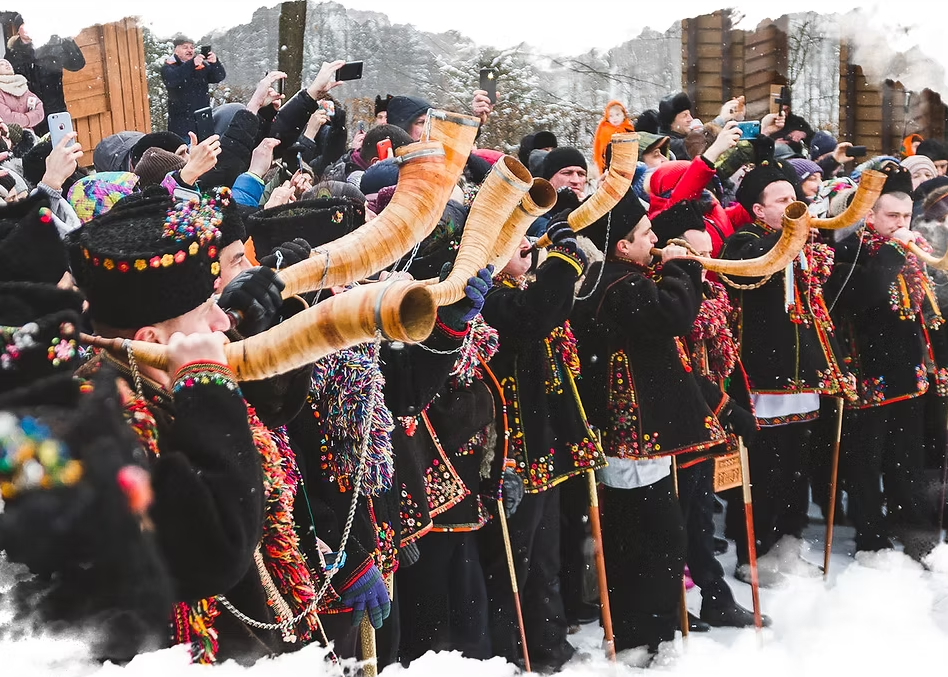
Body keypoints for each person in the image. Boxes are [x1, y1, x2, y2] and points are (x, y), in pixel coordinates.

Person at [570, 193, 729, 657]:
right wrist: (684, 267)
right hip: (630, 437)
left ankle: (648, 629)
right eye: (645, 234)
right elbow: (674, 316)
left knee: (652, 535)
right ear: (621, 246)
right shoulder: (620, 286)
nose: (657, 239)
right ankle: (644, 635)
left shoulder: (618, 279)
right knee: (653, 539)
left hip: (639, 436)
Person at [719, 160, 855, 587]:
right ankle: (753, 553)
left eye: (795, 196)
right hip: (761, 380)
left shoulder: (807, 243)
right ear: (759, 211)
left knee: (797, 467)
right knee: (764, 471)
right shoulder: (744, 242)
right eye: (781, 199)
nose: (794, 205)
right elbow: (746, 274)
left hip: (805, 380)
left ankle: (790, 546)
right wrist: (789, 243)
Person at [479, 215, 605, 672]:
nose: (528, 247)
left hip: (544, 447)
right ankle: (512, 651)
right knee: (516, 562)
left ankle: (548, 643)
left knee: (545, 556)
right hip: (512, 453)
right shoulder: (488, 300)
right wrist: (563, 259)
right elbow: (536, 316)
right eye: (515, 241)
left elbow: (551, 305)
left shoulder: (520, 291)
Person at [826, 162, 942, 560]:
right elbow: (864, 294)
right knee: (865, 460)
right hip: (867, 371)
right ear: (870, 215)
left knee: (907, 457)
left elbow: (927, 307)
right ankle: (869, 535)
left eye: (907, 216)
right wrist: (895, 248)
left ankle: (910, 527)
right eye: (892, 216)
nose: (901, 223)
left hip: (910, 370)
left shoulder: (911, 249)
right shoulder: (849, 248)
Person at [5, 14, 85, 136]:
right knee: (35, 152)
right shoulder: (12, 53)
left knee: (63, 149)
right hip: (29, 117)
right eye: (23, 24)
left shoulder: (52, 46)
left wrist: (67, 40)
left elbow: (77, 64)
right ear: (18, 30)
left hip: (55, 112)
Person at [160, 36, 226, 139]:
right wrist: (191, 64)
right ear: (176, 50)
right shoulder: (168, 67)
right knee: (185, 153)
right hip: (181, 125)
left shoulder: (201, 66)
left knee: (207, 152)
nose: (189, 50)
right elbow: (172, 80)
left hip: (203, 121)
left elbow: (219, 76)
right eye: (185, 47)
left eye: (191, 47)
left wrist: (215, 62)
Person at [593, 100, 635, 174]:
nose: (614, 118)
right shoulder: (603, 129)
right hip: (607, 165)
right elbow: (600, 148)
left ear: (623, 115)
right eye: (611, 116)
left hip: (625, 165)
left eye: (617, 115)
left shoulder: (628, 129)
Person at [0, 58, 42, 131]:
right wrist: (28, 120)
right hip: (8, 136)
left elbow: (39, 111)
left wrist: (25, 120)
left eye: (8, 63)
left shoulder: (22, 85)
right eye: (1, 64)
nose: (7, 65)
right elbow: (6, 117)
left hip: (29, 135)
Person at [658, 91, 694, 160]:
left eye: (689, 114)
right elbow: (694, 145)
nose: (690, 119)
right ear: (671, 120)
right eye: (684, 115)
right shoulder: (665, 142)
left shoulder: (682, 136)